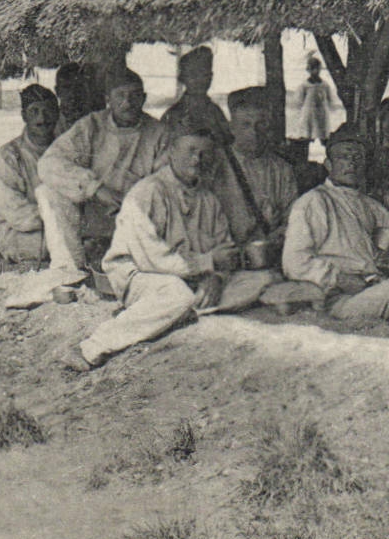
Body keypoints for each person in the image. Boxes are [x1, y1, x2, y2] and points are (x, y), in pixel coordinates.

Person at [67, 128, 280, 370]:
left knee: (263, 278)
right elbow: (151, 258)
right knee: (177, 293)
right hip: (141, 275)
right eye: (190, 151)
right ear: (171, 152)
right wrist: (208, 263)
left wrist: (216, 278)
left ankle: (174, 314)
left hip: (193, 276)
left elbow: (225, 250)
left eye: (203, 153)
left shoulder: (208, 199)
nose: (197, 160)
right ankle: (92, 347)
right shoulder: (147, 192)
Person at [37, 66, 173, 284]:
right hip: (94, 214)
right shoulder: (91, 126)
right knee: (47, 192)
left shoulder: (159, 133)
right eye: (120, 95)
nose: (127, 103)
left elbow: (166, 180)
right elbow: (49, 163)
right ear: (108, 98)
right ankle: (71, 270)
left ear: (144, 98)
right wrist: (95, 188)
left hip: (137, 218)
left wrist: (135, 202)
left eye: (134, 96)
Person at [281, 130, 389, 317]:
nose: (351, 163)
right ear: (328, 165)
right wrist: (339, 278)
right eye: (344, 157)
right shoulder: (313, 202)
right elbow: (294, 262)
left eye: (358, 157)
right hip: (339, 297)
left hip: (374, 286)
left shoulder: (371, 205)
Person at [212, 87, 299, 251]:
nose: (254, 132)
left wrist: (278, 237)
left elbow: (293, 219)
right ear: (231, 127)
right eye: (245, 125)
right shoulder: (215, 164)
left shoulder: (282, 170)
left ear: (269, 127)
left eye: (261, 124)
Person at [0, 84, 60, 264]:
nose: (42, 118)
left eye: (48, 111)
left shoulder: (67, 149)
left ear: (57, 113)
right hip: (22, 233)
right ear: (24, 115)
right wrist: (63, 217)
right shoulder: (8, 156)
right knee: (71, 244)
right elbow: (17, 214)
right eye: (34, 111)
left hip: (61, 225)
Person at [160, 47, 231, 143]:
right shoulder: (173, 115)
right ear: (182, 78)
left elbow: (228, 143)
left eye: (204, 74)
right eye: (193, 75)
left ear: (211, 77)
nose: (199, 81)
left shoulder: (215, 112)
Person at [289, 54, 337, 144]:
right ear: (309, 70)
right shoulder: (305, 85)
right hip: (309, 114)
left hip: (321, 113)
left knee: (324, 136)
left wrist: (332, 108)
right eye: (313, 69)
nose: (315, 71)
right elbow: (298, 101)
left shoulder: (324, 85)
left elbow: (330, 99)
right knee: (307, 136)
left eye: (317, 69)